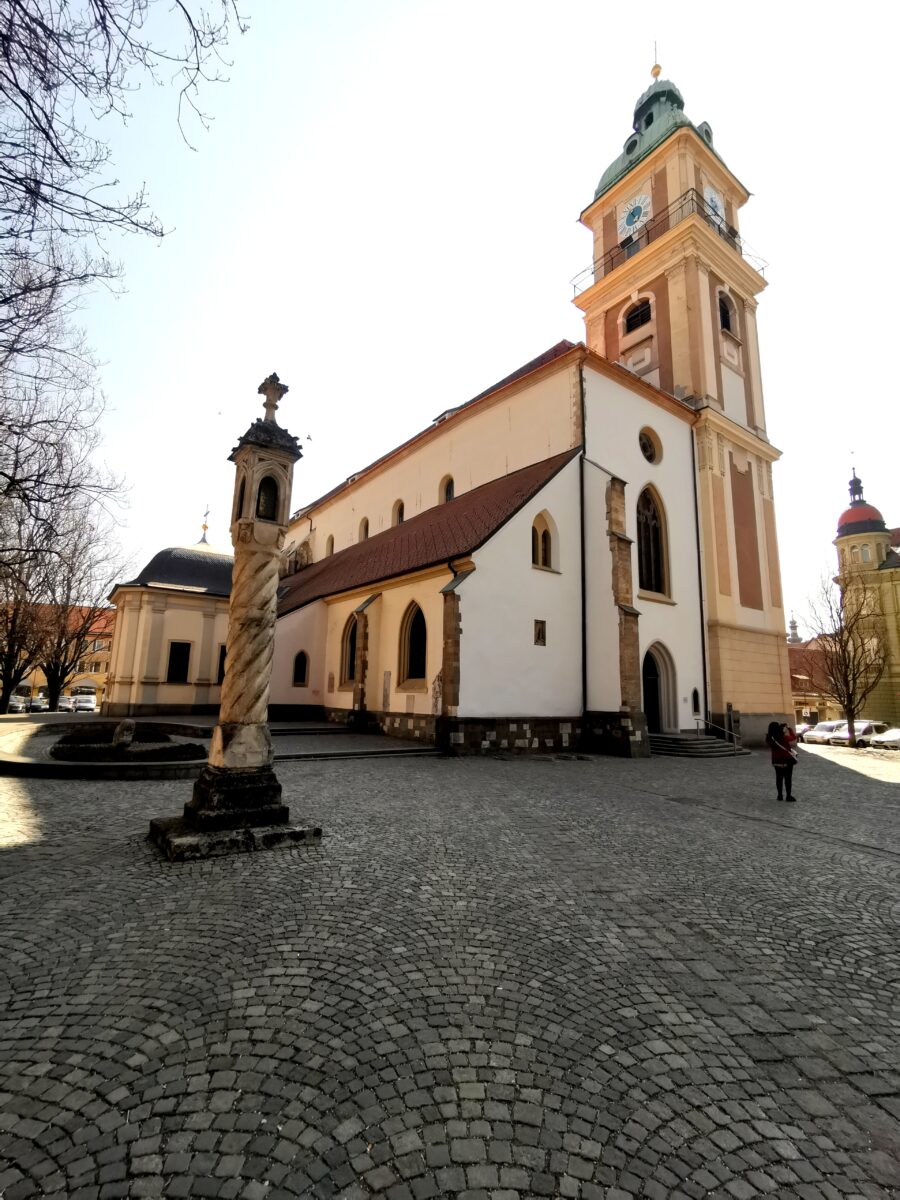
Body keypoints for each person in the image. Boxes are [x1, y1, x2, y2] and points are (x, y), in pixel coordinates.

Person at [766, 721, 798, 802]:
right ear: (778, 729)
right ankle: (788, 796)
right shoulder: (784, 738)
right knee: (788, 778)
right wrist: (788, 728)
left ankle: (779, 795)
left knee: (779, 778)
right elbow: (793, 737)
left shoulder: (769, 739)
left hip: (776, 760)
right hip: (786, 760)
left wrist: (779, 729)